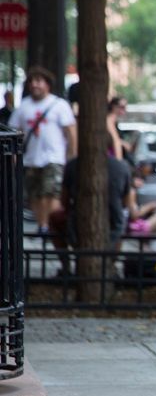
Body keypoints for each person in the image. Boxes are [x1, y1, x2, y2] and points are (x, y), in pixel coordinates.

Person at [8, 66, 77, 232]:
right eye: (31, 81)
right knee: (35, 195)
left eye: (38, 81)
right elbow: (14, 133)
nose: (34, 85)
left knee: (51, 193)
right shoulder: (23, 107)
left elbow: (71, 133)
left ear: (47, 84)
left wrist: (72, 156)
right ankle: (42, 226)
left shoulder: (59, 105)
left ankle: (51, 227)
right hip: (31, 159)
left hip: (54, 158)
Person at [50, 134, 131, 271]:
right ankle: (110, 264)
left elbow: (64, 201)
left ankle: (65, 266)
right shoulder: (122, 167)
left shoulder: (72, 165)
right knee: (122, 222)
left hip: (77, 221)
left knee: (53, 219)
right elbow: (126, 202)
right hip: (114, 220)